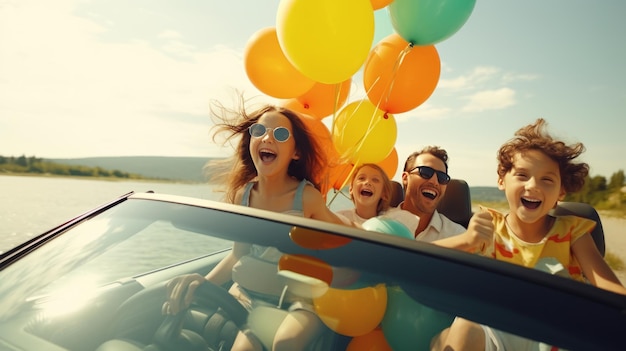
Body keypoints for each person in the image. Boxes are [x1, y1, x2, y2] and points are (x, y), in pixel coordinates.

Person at [163, 99, 348, 351]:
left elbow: (348, 242)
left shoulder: (307, 197)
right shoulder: (244, 195)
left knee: (286, 343)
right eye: (259, 131)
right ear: (250, 142)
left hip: (299, 302)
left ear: (296, 153)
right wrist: (202, 283)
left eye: (280, 134)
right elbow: (237, 255)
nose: (267, 138)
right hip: (248, 298)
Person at [431, 118, 626, 351]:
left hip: (553, 332)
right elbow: (422, 261)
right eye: (522, 175)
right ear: (502, 181)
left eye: (547, 179)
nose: (533, 186)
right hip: (496, 327)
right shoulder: (489, 226)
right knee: (463, 327)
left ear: (561, 191)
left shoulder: (572, 232)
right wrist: (467, 240)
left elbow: (610, 289)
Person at [399, 146, 493, 251]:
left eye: (442, 178)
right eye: (425, 172)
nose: (434, 181)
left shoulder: (457, 234)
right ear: (405, 178)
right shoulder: (381, 221)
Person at [336, 163, 419, 230]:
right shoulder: (341, 217)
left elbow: (412, 221)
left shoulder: (394, 218)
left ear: (384, 193)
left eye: (375, 180)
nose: (367, 182)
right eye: (361, 178)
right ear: (351, 189)